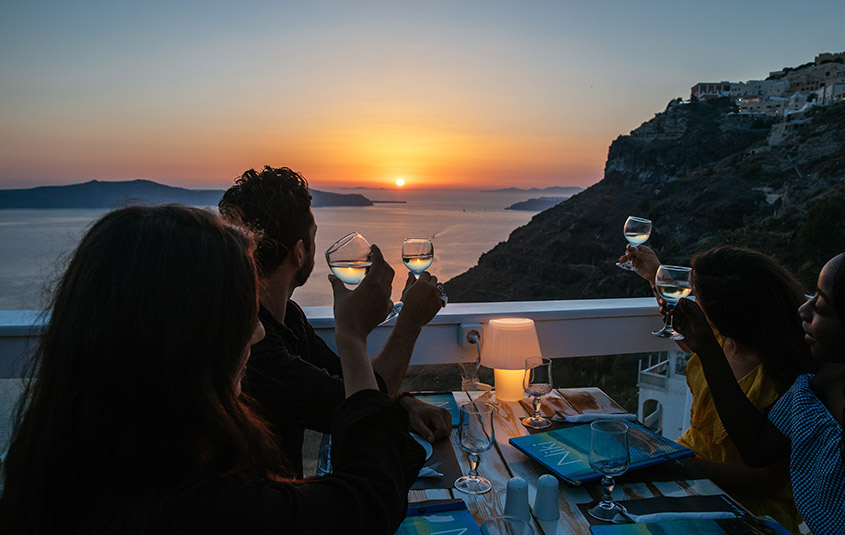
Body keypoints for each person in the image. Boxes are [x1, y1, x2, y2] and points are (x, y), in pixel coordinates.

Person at [0, 205, 424, 534]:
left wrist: (398, 397)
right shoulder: (197, 508)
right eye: (241, 314)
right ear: (186, 339)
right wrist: (352, 335)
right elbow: (366, 505)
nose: (258, 333)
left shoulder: (52, 467)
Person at [219, 166, 450, 477]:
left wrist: (404, 402)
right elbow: (359, 408)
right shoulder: (254, 349)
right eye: (314, 236)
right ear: (299, 252)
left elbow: (346, 381)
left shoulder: (289, 317)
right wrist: (410, 322)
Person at [622, 245, 816, 531]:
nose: (691, 301)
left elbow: (765, 482)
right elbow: (687, 337)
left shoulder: (787, 375)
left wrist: (667, 459)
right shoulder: (723, 338)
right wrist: (655, 278)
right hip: (688, 471)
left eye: (697, 298)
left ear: (726, 314)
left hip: (747, 506)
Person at [673, 251, 845, 535]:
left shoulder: (800, 377)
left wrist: (672, 460)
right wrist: (708, 350)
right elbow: (757, 449)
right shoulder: (815, 386)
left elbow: (763, 475)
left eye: (822, 307)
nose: (803, 310)